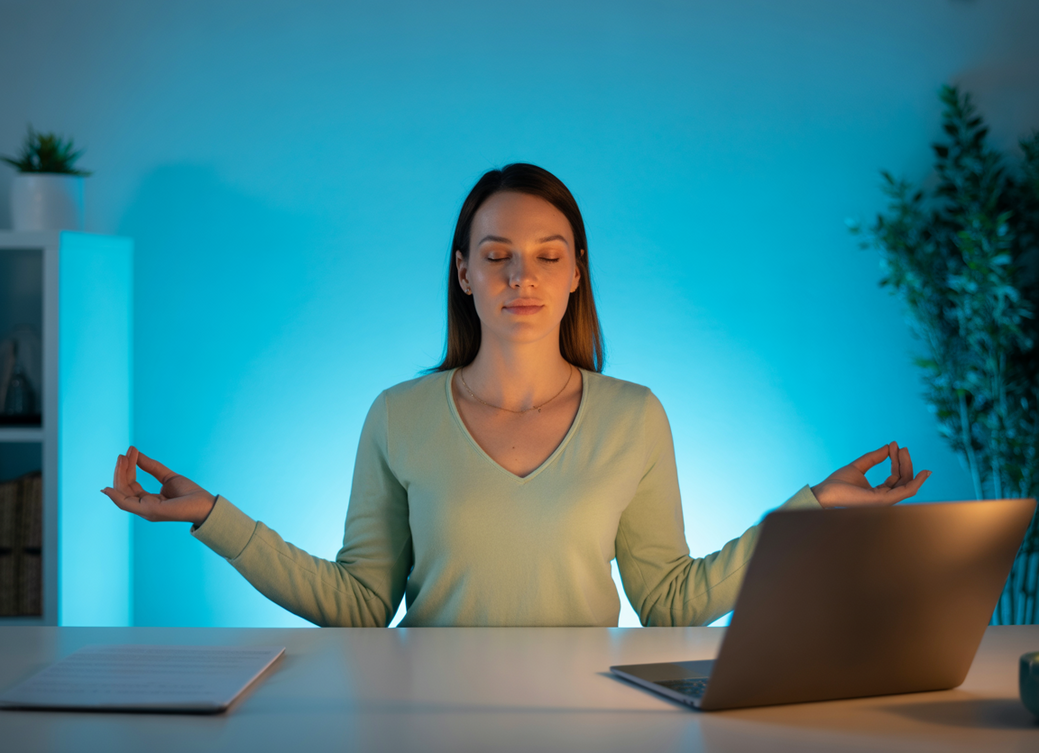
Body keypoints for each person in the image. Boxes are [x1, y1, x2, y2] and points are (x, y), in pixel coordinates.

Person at [101, 163, 931, 628]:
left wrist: (820, 506)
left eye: (545, 254)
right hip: (425, 721)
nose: (519, 275)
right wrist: (212, 517)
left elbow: (672, 601)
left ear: (575, 274)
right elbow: (358, 605)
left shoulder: (633, 415)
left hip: (591, 719)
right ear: (463, 273)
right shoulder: (397, 414)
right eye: (495, 254)